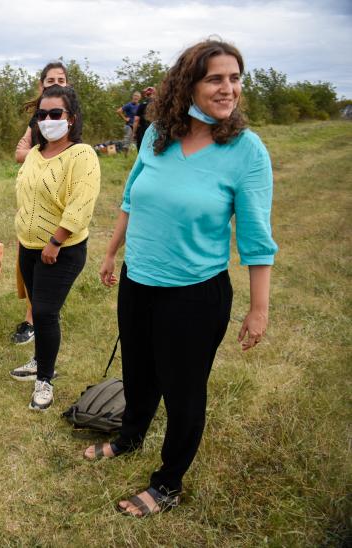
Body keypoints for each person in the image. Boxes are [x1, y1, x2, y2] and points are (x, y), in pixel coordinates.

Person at [83, 39, 278, 518]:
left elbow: (256, 238)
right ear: (187, 83)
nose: (228, 88)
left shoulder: (246, 151)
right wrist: (111, 253)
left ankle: (168, 482)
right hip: (138, 281)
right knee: (139, 372)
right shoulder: (157, 135)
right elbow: (132, 197)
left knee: (183, 391)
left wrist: (259, 308)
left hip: (195, 294)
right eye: (216, 78)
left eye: (234, 78)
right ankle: (129, 438)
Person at [10, 85, 101, 411]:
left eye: (55, 114)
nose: (48, 120)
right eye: (42, 114)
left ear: (71, 118)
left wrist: (55, 241)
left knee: (46, 313)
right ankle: (39, 360)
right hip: (29, 246)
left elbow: (81, 205)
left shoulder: (82, 155)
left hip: (60, 250)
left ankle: (44, 381)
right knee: (38, 306)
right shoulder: (34, 154)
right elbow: (27, 195)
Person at [11, 61, 70, 345]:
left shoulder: (70, 119)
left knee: (53, 263)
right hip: (34, 199)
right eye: (50, 80)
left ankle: (42, 317)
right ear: (41, 85)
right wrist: (40, 154)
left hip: (60, 202)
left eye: (61, 79)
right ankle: (32, 317)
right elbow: (19, 152)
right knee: (31, 264)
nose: (55, 83)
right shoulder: (37, 119)